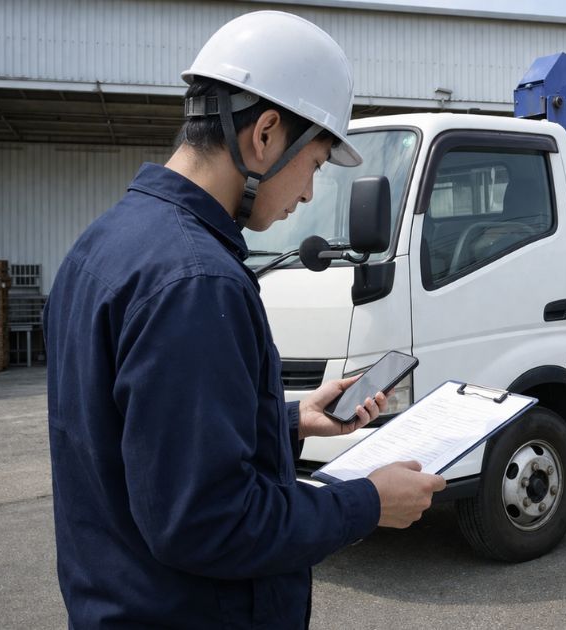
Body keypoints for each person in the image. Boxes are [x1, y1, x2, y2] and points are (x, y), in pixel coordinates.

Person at [44, 11, 444, 628]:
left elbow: (138, 438)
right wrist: (367, 504)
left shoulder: (104, 244)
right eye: (313, 165)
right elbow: (208, 522)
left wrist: (287, 420)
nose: (309, 193)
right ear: (264, 134)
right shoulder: (197, 281)